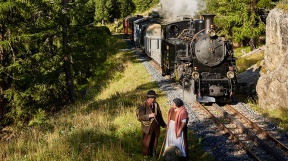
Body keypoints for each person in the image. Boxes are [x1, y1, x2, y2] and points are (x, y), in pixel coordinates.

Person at [138, 90, 166, 160]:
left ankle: (153, 153)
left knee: (155, 140)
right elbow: (140, 118)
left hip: (156, 127)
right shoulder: (143, 106)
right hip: (148, 127)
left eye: (154, 98)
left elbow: (159, 116)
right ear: (148, 98)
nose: (154, 99)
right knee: (146, 142)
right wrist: (149, 115)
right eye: (153, 98)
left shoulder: (156, 104)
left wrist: (164, 125)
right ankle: (145, 157)